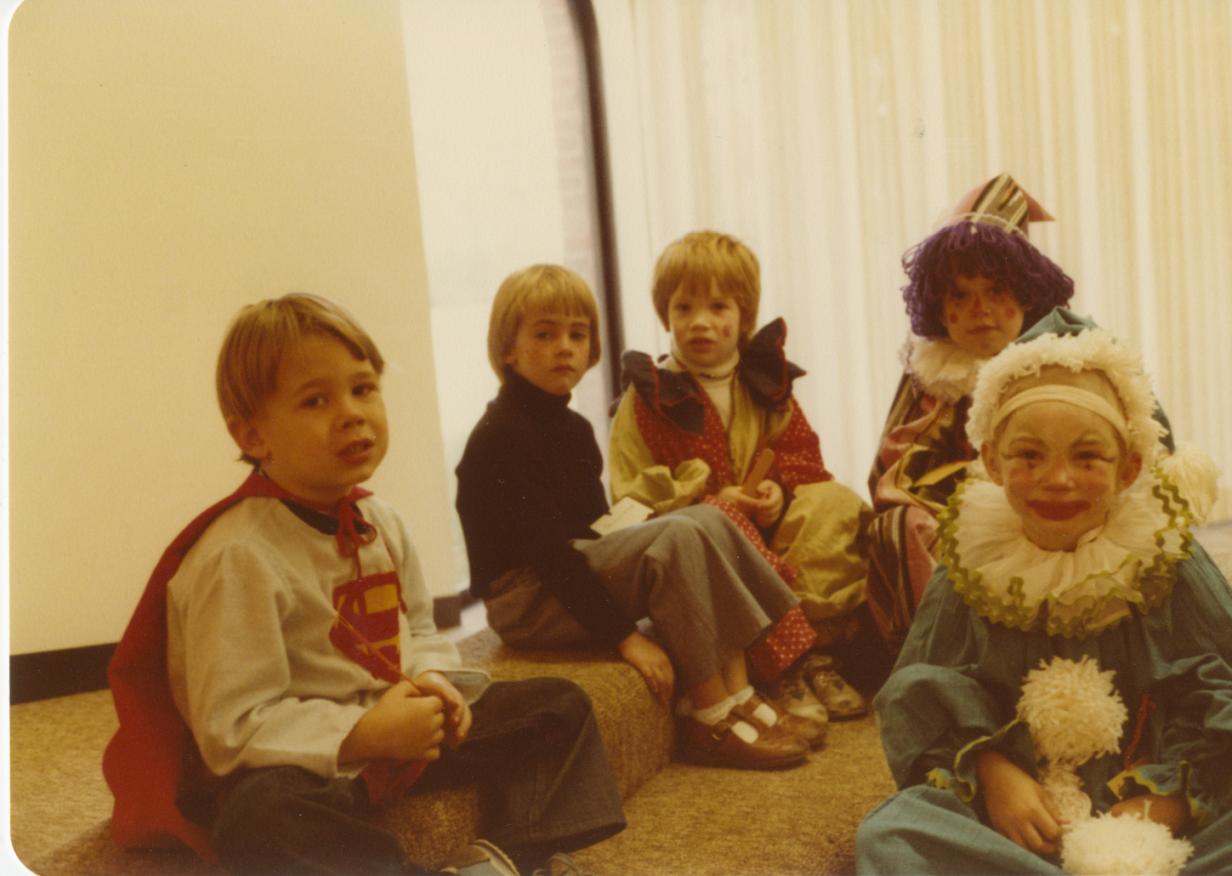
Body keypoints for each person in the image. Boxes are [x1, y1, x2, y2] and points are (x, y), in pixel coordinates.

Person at [102, 293, 626, 876]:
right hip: (314, 763)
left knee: (560, 706)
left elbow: (420, 629)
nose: (351, 413)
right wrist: (362, 733)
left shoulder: (382, 522)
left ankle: (511, 858)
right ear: (253, 436)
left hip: (399, 734)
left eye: (363, 389)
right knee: (261, 819)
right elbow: (233, 727)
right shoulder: (238, 557)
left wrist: (431, 680)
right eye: (315, 400)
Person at [854, 318, 1232, 875]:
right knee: (894, 833)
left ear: (1128, 468)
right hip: (1018, 819)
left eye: (1088, 458)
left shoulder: (1170, 565)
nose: (1057, 479)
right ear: (992, 462)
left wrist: (1169, 804)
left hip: (1151, 821)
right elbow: (919, 691)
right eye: (1029, 456)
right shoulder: (968, 568)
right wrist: (994, 773)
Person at [455, 264, 822, 772]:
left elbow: (594, 530)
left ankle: (740, 694)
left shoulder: (575, 429)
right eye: (545, 334)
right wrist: (625, 635)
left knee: (709, 518)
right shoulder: (502, 436)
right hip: (525, 599)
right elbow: (551, 557)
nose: (565, 346)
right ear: (508, 349)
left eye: (577, 334)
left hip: (566, 569)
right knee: (674, 536)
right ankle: (709, 711)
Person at [606, 230, 874, 723]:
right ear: (666, 315)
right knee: (719, 517)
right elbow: (630, 494)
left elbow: (801, 454)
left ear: (743, 317)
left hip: (771, 531)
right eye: (683, 308)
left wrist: (779, 490)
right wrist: (707, 494)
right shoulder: (647, 398)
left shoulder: (763, 384)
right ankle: (779, 667)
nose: (700, 323)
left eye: (717, 308)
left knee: (832, 502)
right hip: (699, 539)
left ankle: (816, 653)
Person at [862, 173, 1075, 659]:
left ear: (1025, 294)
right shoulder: (934, 374)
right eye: (960, 296)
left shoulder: (1058, 360)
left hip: (1040, 500)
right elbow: (890, 471)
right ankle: (939, 659)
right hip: (947, 509)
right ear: (940, 308)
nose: (980, 310)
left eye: (996, 291)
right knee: (898, 528)